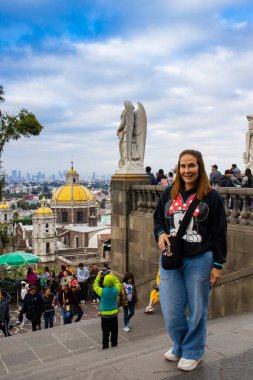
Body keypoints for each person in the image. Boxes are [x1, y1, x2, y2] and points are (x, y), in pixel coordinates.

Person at [154, 149, 227, 372]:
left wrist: (218, 264)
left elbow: (219, 232)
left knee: (197, 309)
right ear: (178, 168)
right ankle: (179, 345)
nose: (187, 170)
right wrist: (160, 234)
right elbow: (158, 219)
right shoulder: (169, 193)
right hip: (170, 258)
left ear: (200, 167)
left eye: (191, 165)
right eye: (183, 166)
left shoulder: (211, 196)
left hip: (199, 260)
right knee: (171, 309)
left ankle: (193, 351)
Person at [93, 271, 121, 349]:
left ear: (105, 282)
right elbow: (118, 283)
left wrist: (98, 276)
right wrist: (113, 276)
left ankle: (105, 346)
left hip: (105, 315)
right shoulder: (116, 290)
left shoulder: (102, 291)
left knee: (105, 332)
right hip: (114, 314)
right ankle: (114, 343)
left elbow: (95, 286)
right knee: (114, 331)